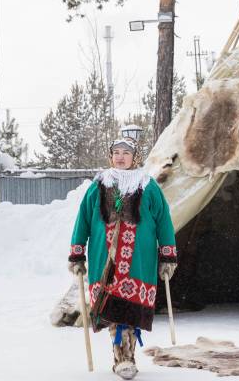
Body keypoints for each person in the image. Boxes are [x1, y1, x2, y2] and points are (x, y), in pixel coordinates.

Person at [67, 138, 177, 380]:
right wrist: (77, 253)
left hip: (139, 260)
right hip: (103, 258)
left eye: (125, 153)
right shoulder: (99, 185)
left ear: (134, 157)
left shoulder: (148, 185)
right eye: (116, 152)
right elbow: (82, 220)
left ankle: (125, 358)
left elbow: (164, 222)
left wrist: (167, 254)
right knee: (113, 307)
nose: (120, 157)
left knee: (130, 309)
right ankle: (124, 359)